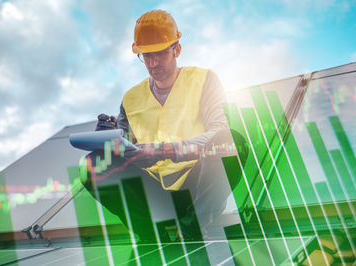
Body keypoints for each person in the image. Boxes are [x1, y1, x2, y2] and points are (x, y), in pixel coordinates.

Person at [81, 9, 247, 241]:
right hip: (154, 193)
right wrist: (109, 137)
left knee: (231, 141)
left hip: (196, 187)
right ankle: (151, 234)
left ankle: (193, 229)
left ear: (177, 49)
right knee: (93, 163)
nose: (152, 62)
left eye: (159, 53)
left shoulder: (203, 80)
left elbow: (219, 131)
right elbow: (124, 151)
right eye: (145, 55)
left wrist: (165, 150)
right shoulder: (130, 98)